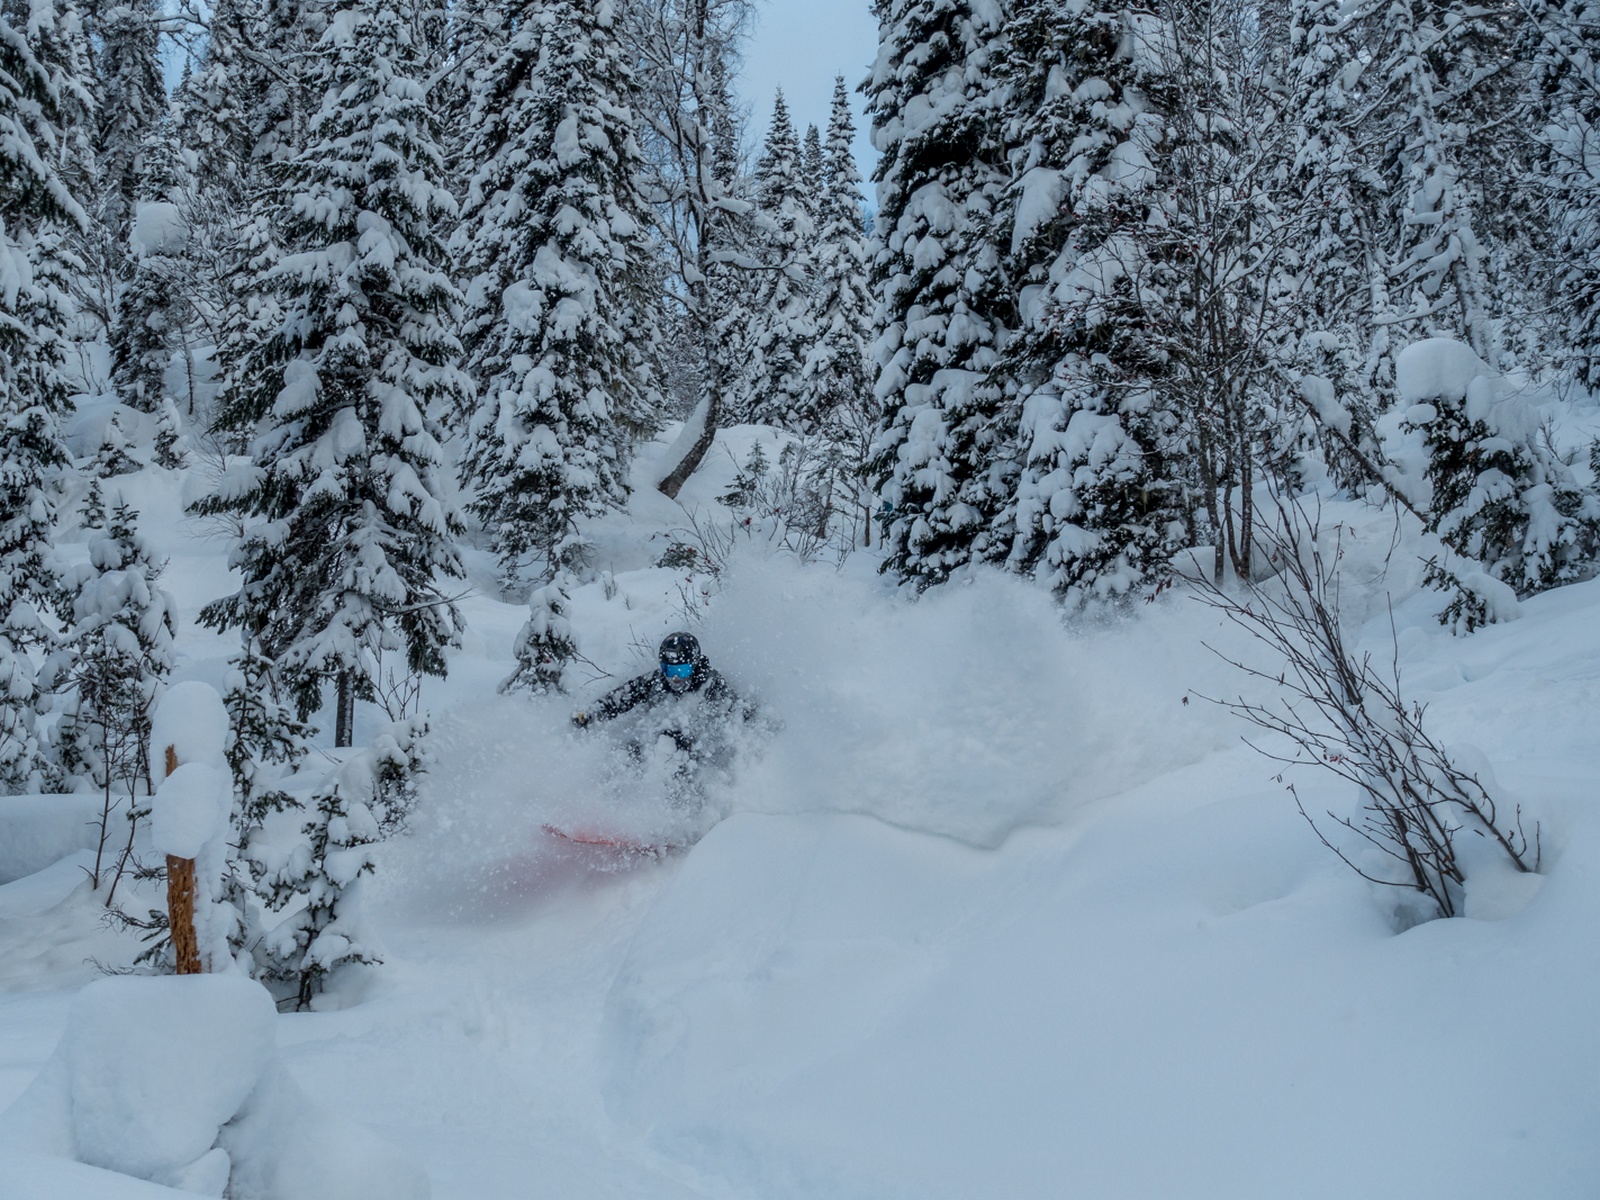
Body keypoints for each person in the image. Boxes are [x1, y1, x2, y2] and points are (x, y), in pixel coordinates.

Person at [572, 631, 751, 753]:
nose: (675, 678)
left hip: (701, 752)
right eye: (669, 670)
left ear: (695, 665)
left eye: (682, 670)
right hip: (658, 748)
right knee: (631, 749)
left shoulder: (711, 684)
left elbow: (737, 711)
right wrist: (593, 712)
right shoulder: (657, 681)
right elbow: (623, 696)